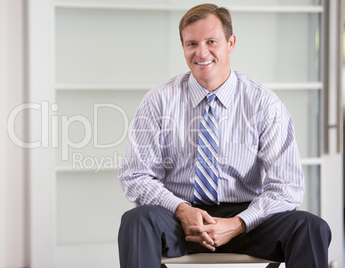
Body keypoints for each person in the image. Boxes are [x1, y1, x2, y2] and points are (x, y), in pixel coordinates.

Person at [118, 3, 331, 268]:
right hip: (178, 216)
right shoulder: (158, 101)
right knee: (136, 220)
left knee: (310, 227)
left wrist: (238, 223)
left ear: (230, 42)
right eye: (192, 43)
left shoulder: (264, 104)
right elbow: (135, 175)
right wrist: (182, 210)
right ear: (183, 47)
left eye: (211, 41)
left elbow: (287, 187)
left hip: (246, 219)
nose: (201, 52)